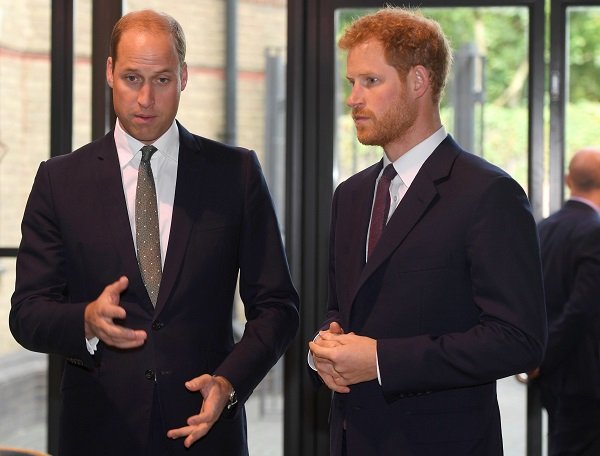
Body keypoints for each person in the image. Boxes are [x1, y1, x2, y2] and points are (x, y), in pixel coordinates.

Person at [9, 9, 299, 456]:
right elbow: (27, 313)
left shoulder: (235, 173)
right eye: (131, 78)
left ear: (184, 77)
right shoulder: (59, 180)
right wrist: (85, 320)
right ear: (108, 73)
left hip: (206, 431)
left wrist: (229, 381)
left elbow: (278, 307)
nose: (145, 98)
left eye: (162, 80)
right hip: (98, 432)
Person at [307, 7, 547, 456]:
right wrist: (325, 347)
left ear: (419, 82)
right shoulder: (351, 195)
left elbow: (519, 340)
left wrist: (379, 361)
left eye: (370, 82)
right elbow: (340, 309)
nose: (353, 98)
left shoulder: (488, 193)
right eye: (350, 83)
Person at [534, 148, 600, 455]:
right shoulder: (594, 230)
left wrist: (540, 356)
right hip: (586, 375)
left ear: (568, 180)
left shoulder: (542, 228)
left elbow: (532, 300)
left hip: (552, 375)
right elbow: (582, 309)